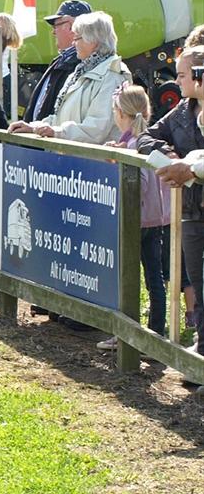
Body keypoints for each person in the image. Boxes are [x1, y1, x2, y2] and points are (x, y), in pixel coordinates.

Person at [138, 46, 204, 355]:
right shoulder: (181, 111)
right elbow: (147, 136)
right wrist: (165, 153)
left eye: (181, 75)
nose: (176, 83)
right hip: (191, 210)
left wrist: (189, 167)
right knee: (199, 284)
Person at [97, 86, 169, 350]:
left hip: (134, 220)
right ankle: (156, 336)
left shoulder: (131, 145)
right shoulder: (146, 141)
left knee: (126, 279)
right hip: (156, 219)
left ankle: (127, 335)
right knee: (154, 278)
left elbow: (137, 184)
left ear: (120, 114)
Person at [8, 11, 127, 144]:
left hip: (95, 162)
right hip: (72, 159)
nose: (73, 43)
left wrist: (56, 132)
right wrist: (33, 127)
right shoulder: (81, 70)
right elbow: (60, 118)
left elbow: (97, 128)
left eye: (77, 38)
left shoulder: (113, 74)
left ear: (93, 41)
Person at [22, 0, 92, 124]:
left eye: (56, 25)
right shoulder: (62, 60)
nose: (53, 32)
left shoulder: (81, 64)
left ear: (72, 25)